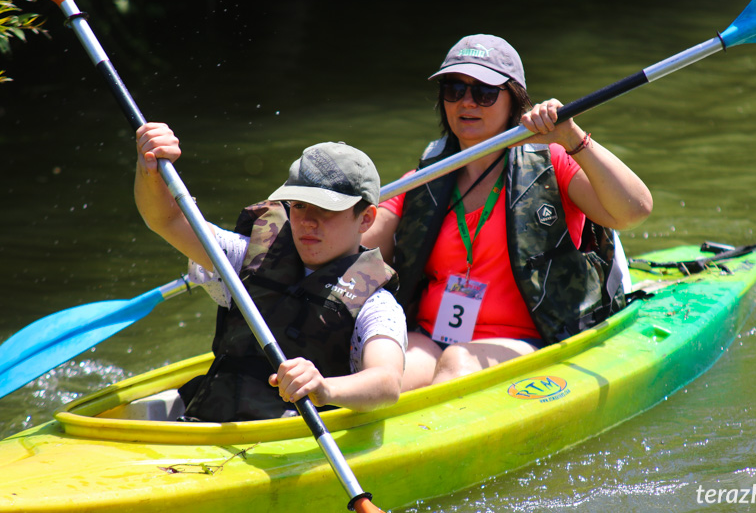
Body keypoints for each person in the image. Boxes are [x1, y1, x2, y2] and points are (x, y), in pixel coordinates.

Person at [362, 34, 652, 391]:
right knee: (384, 376)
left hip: (531, 338)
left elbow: (634, 211)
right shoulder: (422, 179)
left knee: (459, 362)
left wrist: (571, 136)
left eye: (484, 92)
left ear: (513, 100)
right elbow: (355, 246)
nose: (467, 102)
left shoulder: (555, 162)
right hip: (432, 336)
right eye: (454, 89)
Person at [135, 124, 407, 421]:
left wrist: (325, 388)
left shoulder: (376, 304)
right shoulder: (243, 257)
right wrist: (150, 169)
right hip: (208, 427)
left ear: (365, 218)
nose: (308, 222)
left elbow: (387, 382)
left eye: (325, 209)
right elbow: (166, 219)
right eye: (300, 205)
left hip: (292, 442)